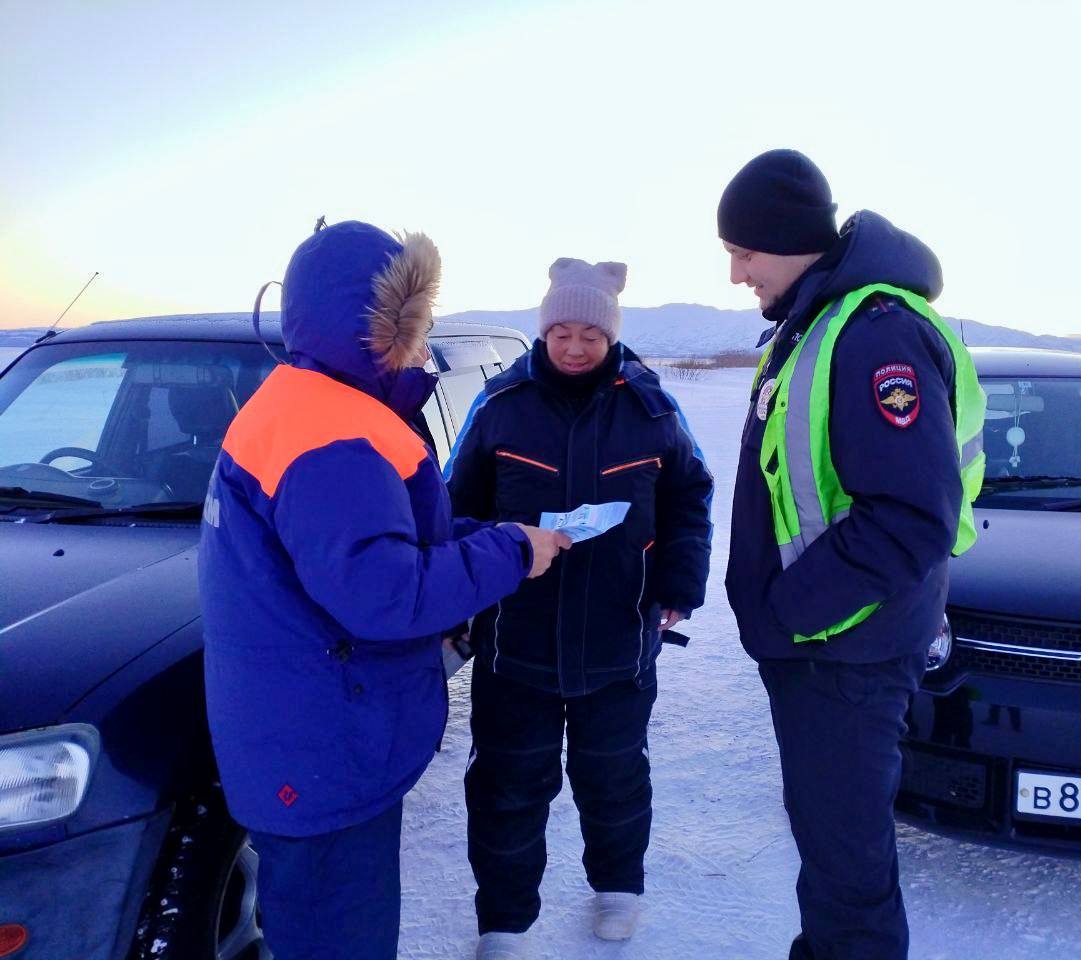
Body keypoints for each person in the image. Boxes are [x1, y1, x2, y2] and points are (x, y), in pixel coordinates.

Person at [197, 220, 570, 960]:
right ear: (382, 322)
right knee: (339, 940)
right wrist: (509, 551)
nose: (426, 333)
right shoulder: (331, 436)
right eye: (418, 316)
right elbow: (386, 597)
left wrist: (481, 536)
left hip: (304, 742)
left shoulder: (305, 405)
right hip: (324, 757)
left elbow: (376, 546)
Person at [715, 150, 986, 960]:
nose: (735, 273)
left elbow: (909, 517)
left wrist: (792, 609)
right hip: (828, 647)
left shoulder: (875, 334)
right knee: (834, 859)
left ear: (785, 238)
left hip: (844, 653)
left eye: (743, 252)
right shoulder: (815, 324)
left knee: (850, 878)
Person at [445, 257, 714, 959]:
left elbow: (690, 499)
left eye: (588, 333)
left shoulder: (653, 409)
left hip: (619, 641)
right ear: (543, 332)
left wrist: (679, 584)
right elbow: (452, 508)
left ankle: (618, 889)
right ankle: (504, 924)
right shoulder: (500, 407)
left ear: (611, 335)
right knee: (507, 790)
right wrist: (469, 585)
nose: (573, 346)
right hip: (515, 646)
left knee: (615, 779)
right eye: (560, 331)